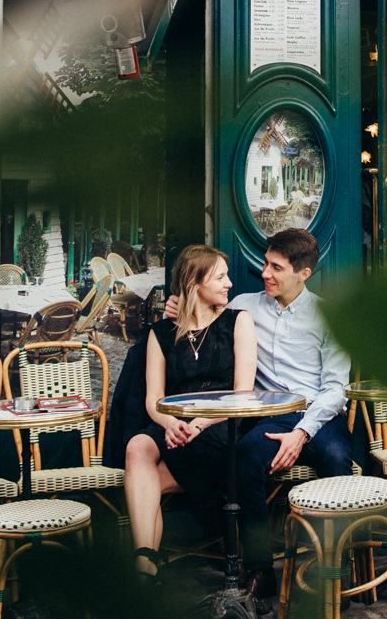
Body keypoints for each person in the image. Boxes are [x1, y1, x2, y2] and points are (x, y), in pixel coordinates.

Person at [164, 227, 351, 601]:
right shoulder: (243, 306)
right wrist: (175, 306)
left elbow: (335, 390)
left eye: (276, 267)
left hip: (317, 415)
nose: (264, 272)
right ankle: (260, 570)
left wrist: (302, 434)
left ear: (303, 274)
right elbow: (200, 306)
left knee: (336, 458)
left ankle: (335, 565)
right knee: (245, 455)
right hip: (269, 418)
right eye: (266, 263)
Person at [124, 245, 256, 579]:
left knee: (148, 482)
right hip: (175, 423)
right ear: (194, 283)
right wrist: (169, 422)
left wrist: (201, 422)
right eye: (220, 277)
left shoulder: (238, 322)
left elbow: (243, 393)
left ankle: (144, 567)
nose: (229, 283)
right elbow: (154, 398)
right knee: (137, 446)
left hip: (222, 425)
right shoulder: (162, 333)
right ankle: (144, 560)